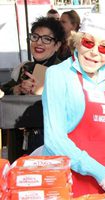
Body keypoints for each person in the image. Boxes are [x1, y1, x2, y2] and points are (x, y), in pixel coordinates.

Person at [38, 13, 105, 197]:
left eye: (104, 48)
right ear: (78, 42)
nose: (94, 52)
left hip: (104, 187)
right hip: (67, 183)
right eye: (89, 43)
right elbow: (55, 140)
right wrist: (100, 173)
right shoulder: (58, 75)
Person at [0, 17, 65, 162]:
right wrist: (17, 90)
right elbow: (4, 90)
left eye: (47, 39)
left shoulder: (63, 71)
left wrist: (45, 90)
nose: (39, 42)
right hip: (19, 140)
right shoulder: (25, 68)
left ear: (57, 45)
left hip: (48, 143)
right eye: (35, 37)